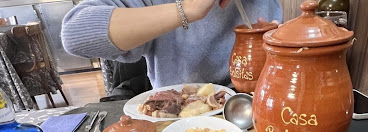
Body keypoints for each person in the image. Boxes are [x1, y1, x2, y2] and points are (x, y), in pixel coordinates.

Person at [61, 0, 282, 89]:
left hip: (254, 106)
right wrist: (186, 10)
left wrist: (280, 44)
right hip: (179, 115)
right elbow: (76, 33)